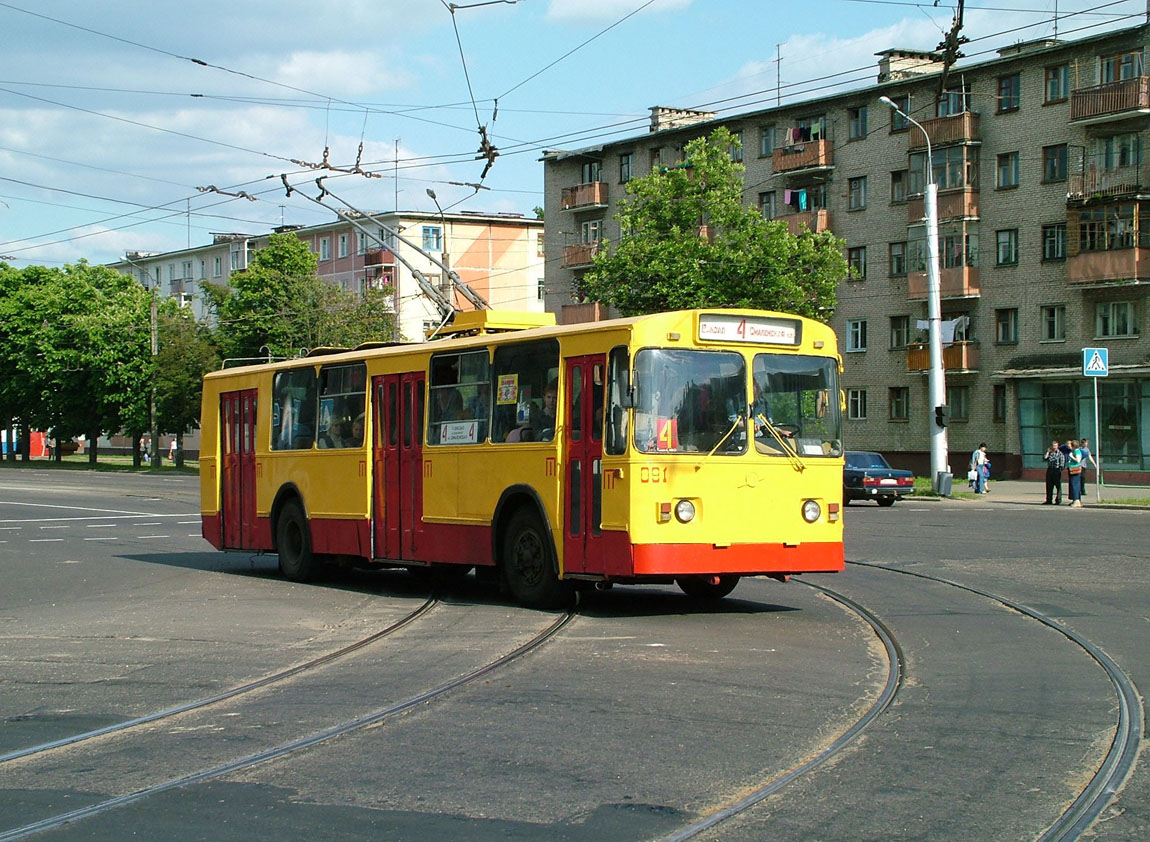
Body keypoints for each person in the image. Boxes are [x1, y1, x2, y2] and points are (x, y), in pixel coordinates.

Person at [1043, 439, 1065, 504]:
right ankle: (1049, 500)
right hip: (1050, 470)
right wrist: (1048, 452)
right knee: (1049, 486)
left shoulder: (1060, 454)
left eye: (1055, 446)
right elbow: (1045, 458)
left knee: (1058, 486)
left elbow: (1062, 463)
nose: (1054, 447)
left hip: (1057, 470)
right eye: (1053, 446)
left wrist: (1060, 470)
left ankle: (1058, 500)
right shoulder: (1050, 453)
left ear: (1058, 446)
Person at [1066, 439, 1085, 507]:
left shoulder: (1077, 451)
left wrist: (1071, 456)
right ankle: (1075, 500)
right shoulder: (1074, 451)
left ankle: (1077, 500)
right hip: (1072, 469)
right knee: (1073, 485)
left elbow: (1078, 460)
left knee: (1075, 485)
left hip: (1075, 470)